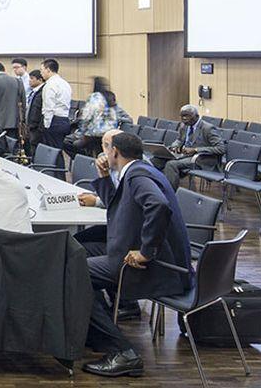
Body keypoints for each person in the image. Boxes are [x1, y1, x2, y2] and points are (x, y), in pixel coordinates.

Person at [76, 132, 193, 378]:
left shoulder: (138, 177)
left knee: (74, 272)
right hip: (144, 257)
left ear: (115, 152)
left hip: (157, 268)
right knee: (77, 251)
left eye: (106, 148)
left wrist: (146, 252)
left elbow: (158, 205)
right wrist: (104, 177)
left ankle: (122, 350)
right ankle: (99, 324)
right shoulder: (138, 171)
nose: (104, 154)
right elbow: (117, 207)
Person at [163, 105, 226, 190]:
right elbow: (179, 140)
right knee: (158, 160)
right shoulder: (184, 126)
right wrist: (175, 146)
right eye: (182, 116)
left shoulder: (207, 128)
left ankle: (169, 193)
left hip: (202, 159)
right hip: (185, 156)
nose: (184, 118)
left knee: (171, 164)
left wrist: (196, 150)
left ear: (196, 116)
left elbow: (221, 148)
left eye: (187, 116)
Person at [69, 77, 119, 158]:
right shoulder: (109, 96)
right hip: (109, 134)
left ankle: (85, 161)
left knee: (72, 144)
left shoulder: (94, 97)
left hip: (95, 134)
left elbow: (87, 117)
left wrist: (81, 133)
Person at [40, 59, 73, 156]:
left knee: (52, 152)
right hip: (64, 120)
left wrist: (46, 125)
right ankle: (60, 170)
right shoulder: (65, 83)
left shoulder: (50, 85)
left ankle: (56, 171)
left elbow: (48, 107)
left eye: (42, 70)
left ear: (48, 70)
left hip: (53, 121)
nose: (41, 73)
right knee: (58, 149)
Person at [25, 70, 46, 156]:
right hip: (30, 126)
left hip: (36, 127)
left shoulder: (42, 92)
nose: (29, 80)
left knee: (34, 150)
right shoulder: (33, 91)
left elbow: (37, 111)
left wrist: (32, 125)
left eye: (32, 78)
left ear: (40, 80)